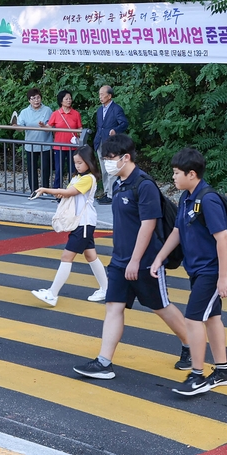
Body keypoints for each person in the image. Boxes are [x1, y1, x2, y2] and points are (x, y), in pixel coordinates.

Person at [73, 134, 193, 380]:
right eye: (104, 158)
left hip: (145, 262)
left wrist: (136, 261)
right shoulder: (119, 183)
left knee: (161, 307)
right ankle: (104, 362)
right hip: (119, 260)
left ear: (125, 157)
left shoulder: (144, 185)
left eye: (110, 158)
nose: (106, 163)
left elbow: (148, 225)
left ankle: (192, 345)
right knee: (113, 307)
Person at [151, 148, 227, 396]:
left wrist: (222, 277)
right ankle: (223, 371)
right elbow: (177, 231)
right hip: (198, 269)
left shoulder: (207, 199)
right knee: (212, 318)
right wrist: (159, 258)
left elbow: (222, 238)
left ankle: (197, 375)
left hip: (210, 271)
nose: (173, 178)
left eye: (177, 173)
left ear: (192, 173)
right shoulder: (187, 197)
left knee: (193, 319)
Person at [30, 146, 109, 305]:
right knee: (90, 256)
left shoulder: (88, 178)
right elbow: (68, 193)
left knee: (67, 256)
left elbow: (69, 193)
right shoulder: (78, 177)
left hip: (83, 223)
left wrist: (46, 189)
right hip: (82, 222)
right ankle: (106, 289)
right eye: (75, 163)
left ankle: (52, 294)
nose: (77, 165)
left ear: (88, 162)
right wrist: (60, 192)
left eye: (80, 162)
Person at [93, 85, 128, 204]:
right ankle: (107, 192)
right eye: (99, 94)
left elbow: (124, 123)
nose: (100, 97)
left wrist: (115, 130)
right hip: (100, 141)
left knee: (111, 168)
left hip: (111, 143)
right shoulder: (99, 110)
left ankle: (112, 194)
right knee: (103, 169)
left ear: (109, 95)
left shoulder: (116, 109)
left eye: (102, 94)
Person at [16, 88, 53, 195]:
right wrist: (15, 126)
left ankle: (45, 190)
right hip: (31, 145)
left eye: (38, 98)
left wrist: (44, 126)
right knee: (32, 169)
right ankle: (34, 190)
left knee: (45, 168)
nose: (36, 100)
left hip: (45, 144)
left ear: (41, 98)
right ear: (29, 100)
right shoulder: (24, 112)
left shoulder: (47, 110)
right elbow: (20, 128)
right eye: (33, 98)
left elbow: (52, 126)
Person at [47, 90, 82, 189]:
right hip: (59, 147)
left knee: (73, 170)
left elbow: (79, 128)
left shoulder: (76, 114)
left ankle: (72, 190)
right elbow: (49, 127)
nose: (69, 100)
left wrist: (81, 134)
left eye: (70, 98)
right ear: (61, 101)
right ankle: (57, 191)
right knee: (59, 170)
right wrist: (43, 126)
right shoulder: (55, 114)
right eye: (66, 99)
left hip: (73, 147)